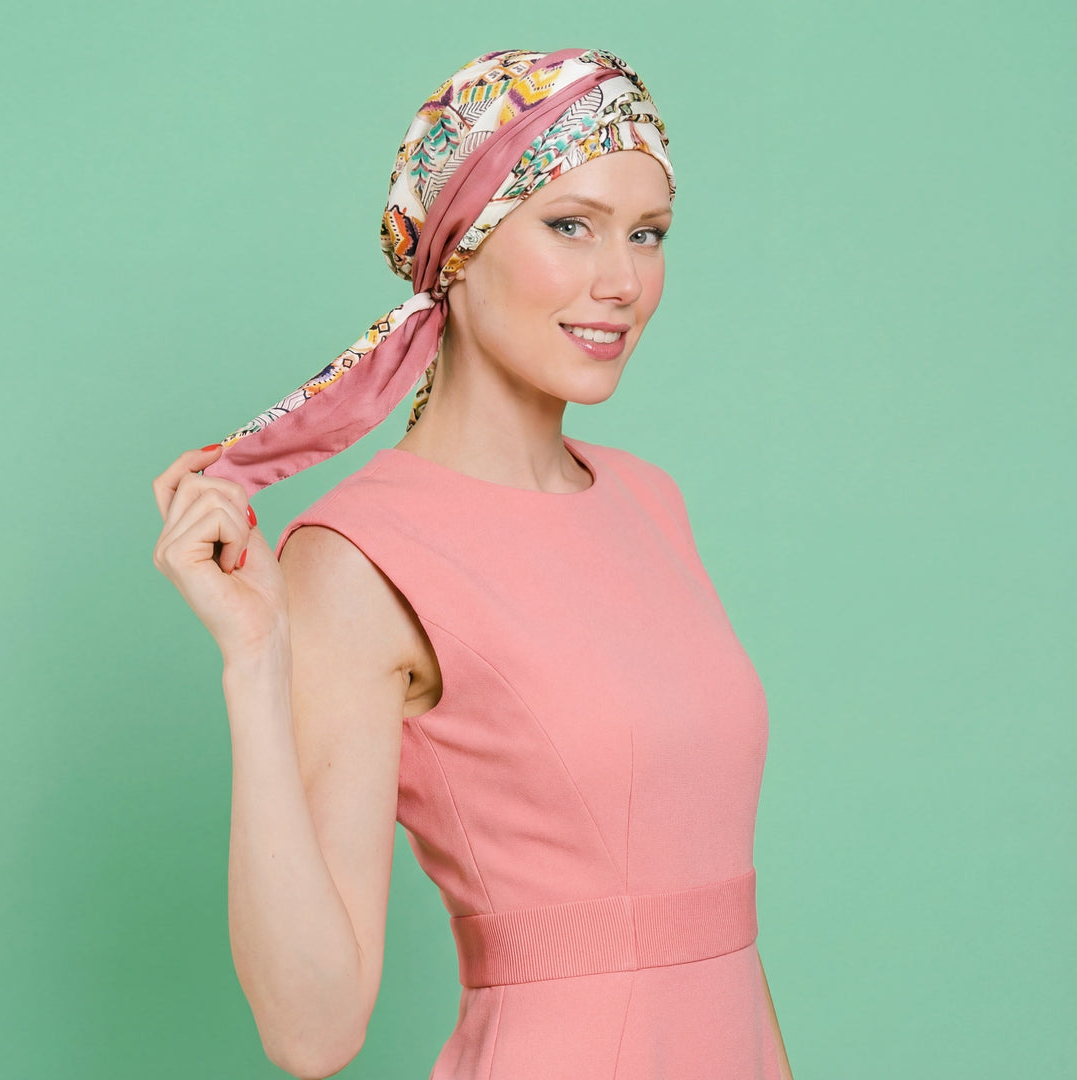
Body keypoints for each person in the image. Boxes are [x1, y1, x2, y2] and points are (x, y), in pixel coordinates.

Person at [152, 48, 793, 1079]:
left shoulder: (649, 500)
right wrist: (255, 663)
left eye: (648, 234)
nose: (622, 281)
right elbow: (313, 1032)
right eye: (571, 225)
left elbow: (717, 935)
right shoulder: (360, 559)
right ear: (462, 243)